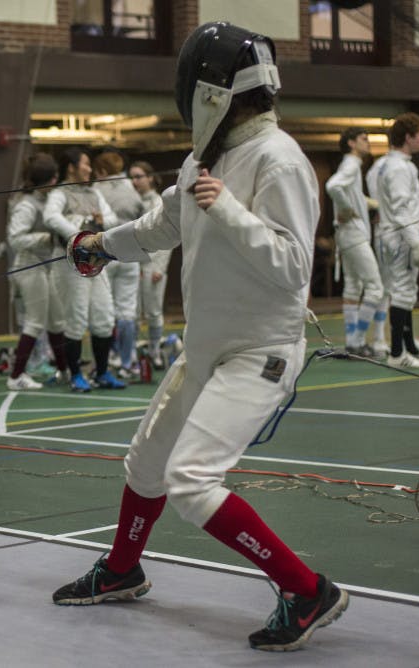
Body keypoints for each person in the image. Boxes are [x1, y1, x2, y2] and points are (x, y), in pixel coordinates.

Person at [54, 23, 348, 651]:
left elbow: (297, 267)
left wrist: (229, 211)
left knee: (190, 481)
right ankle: (122, 571)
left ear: (212, 92)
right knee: (146, 462)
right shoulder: (203, 160)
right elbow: (161, 227)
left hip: (260, 351)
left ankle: (306, 591)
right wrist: (100, 246)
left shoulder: (281, 160)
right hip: (208, 345)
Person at [43, 147, 125, 392]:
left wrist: (100, 222)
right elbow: (51, 217)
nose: (89, 168)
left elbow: (111, 220)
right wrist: (78, 234)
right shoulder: (59, 194)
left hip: (96, 262)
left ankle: (101, 373)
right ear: (72, 167)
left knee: (104, 316)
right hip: (70, 263)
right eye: (86, 164)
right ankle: (76, 375)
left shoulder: (94, 193)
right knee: (76, 318)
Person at [369, 112, 419, 369]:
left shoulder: (388, 164)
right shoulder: (397, 168)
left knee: (403, 292)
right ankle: (397, 353)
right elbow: (401, 207)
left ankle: (408, 348)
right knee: (402, 292)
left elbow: (410, 203)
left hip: (392, 235)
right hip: (400, 239)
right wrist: (415, 241)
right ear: (408, 137)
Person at [5, 152, 70, 390]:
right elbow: (15, 239)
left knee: (57, 320)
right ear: (50, 178)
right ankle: (15, 376)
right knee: (35, 321)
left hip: (45, 266)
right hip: (28, 266)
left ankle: (64, 371)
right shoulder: (26, 205)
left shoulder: (47, 201)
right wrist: (46, 237)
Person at [325, 127, 383, 358]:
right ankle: (358, 341)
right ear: (351, 143)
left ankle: (351, 342)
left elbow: (353, 195)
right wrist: (347, 209)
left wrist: (375, 205)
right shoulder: (351, 164)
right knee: (376, 289)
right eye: (363, 139)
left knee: (353, 288)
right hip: (355, 236)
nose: (367, 143)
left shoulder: (348, 165)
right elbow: (333, 186)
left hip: (346, 236)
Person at [92, 149, 145, 379]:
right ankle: (128, 361)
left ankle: (111, 357)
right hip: (131, 254)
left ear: (102, 171)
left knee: (107, 310)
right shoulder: (132, 190)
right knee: (127, 311)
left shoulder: (95, 190)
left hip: (106, 255)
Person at [129, 159, 168, 369]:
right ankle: (133, 353)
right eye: (131, 177)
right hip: (134, 264)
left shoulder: (160, 202)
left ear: (150, 178)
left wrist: (159, 268)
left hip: (153, 265)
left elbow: (168, 239)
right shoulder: (131, 202)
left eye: (138, 176)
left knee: (153, 312)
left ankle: (154, 351)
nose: (134, 181)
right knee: (132, 313)